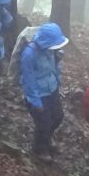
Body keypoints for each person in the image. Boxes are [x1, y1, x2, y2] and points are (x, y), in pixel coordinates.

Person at [19, 22, 69, 159]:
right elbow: (28, 79)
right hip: (39, 95)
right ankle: (39, 148)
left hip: (52, 89)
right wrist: (35, 101)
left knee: (58, 117)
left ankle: (47, 138)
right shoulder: (29, 54)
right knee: (44, 123)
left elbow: (53, 67)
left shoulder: (50, 49)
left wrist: (57, 81)